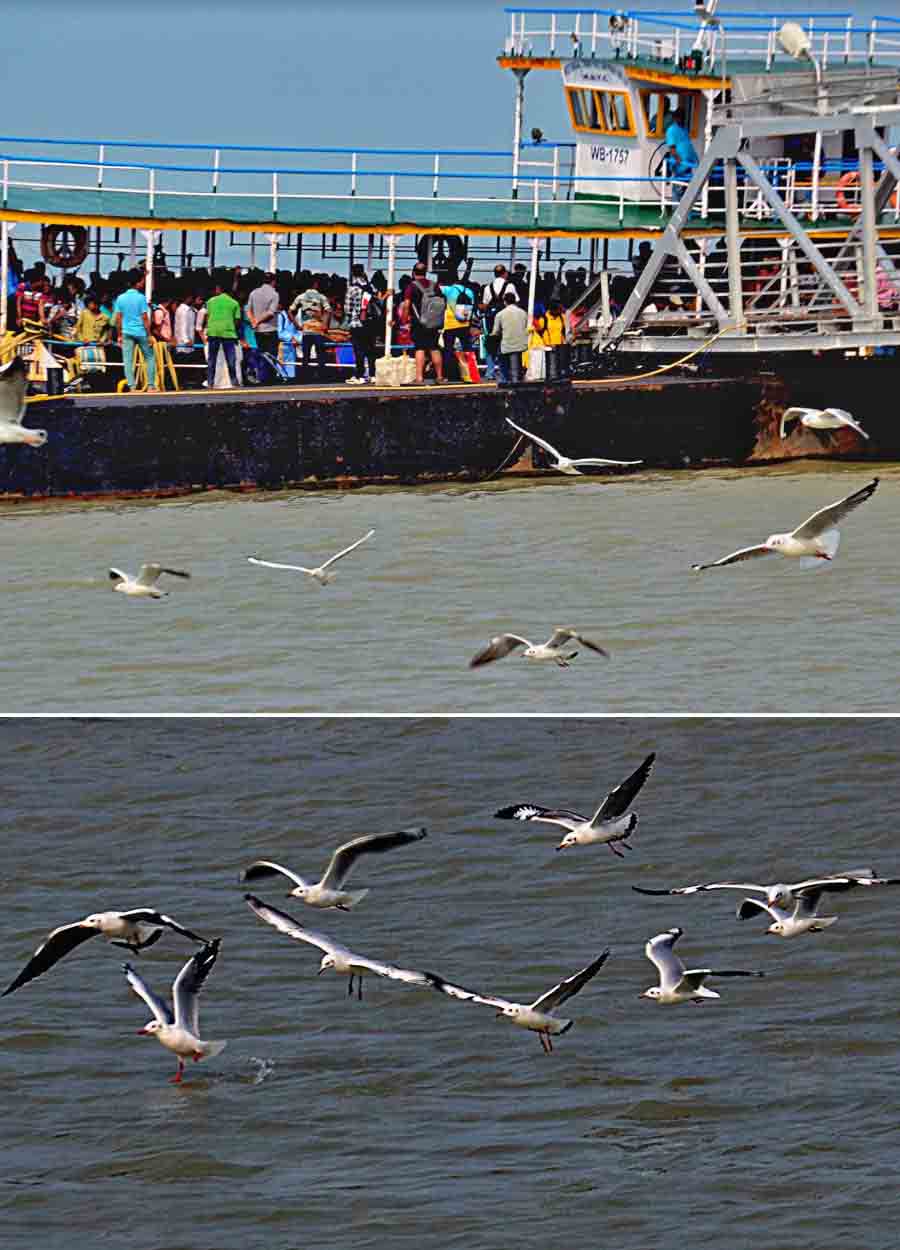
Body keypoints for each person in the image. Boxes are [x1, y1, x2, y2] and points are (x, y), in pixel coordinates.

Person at [402, 262, 446, 384]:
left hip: (419, 322)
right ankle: (440, 377)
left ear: (413, 272)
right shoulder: (434, 285)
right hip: (434, 322)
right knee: (434, 348)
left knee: (420, 348)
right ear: (425, 272)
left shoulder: (411, 286)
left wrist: (404, 320)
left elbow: (406, 305)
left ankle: (419, 377)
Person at [114, 271, 157, 391]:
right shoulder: (141, 298)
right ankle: (150, 385)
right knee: (149, 357)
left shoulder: (120, 298)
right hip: (141, 332)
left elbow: (118, 319)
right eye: (142, 281)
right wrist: (149, 335)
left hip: (126, 332)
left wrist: (119, 334)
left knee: (128, 360)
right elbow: (144, 317)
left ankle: (132, 386)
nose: (143, 283)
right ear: (137, 283)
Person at [480, 264, 517, 380]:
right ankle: (503, 373)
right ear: (505, 273)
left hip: (491, 319)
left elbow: (485, 305)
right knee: (504, 345)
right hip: (506, 319)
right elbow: (516, 302)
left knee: (490, 345)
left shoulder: (487, 287)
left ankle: (489, 372)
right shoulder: (510, 286)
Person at [204, 281, 241, 389]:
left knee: (212, 359)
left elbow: (208, 316)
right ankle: (234, 381)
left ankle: (210, 382)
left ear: (219, 289)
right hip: (228, 333)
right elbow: (237, 320)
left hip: (213, 332)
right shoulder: (234, 303)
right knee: (231, 359)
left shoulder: (210, 301)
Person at [345, 263, 376, 384]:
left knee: (358, 350)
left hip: (357, 323)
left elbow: (347, 309)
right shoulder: (369, 287)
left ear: (352, 273)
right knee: (370, 349)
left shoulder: (352, 288)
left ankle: (360, 375)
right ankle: (372, 374)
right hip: (370, 322)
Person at [492, 289, 528, 384]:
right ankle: (518, 378)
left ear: (505, 302)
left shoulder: (500, 314)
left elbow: (496, 332)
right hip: (521, 343)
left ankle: (506, 380)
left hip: (507, 345)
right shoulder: (523, 313)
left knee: (502, 359)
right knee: (518, 360)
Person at [663, 108, 698, 199]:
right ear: (675, 118)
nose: (681, 119)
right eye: (679, 116)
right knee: (678, 188)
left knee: (686, 189)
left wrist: (695, 159)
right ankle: (677, 210)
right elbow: (672, 147)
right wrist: (678, 160)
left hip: (688, 164)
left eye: (682, 116)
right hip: (680, 166)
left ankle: (685, 211)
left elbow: (688, 145)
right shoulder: (671, 130)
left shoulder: (684, 129)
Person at [247, 272, 279, 365]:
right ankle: (269, 378)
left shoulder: (253, 292)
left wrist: (253, 322)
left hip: (258, 330)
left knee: (261, 355)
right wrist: (257, 321)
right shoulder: (274, 294)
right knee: (271, 357)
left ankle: (261, 377)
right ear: (273, 282)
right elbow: (271, 312)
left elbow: (248, 310)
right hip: (270, 329)